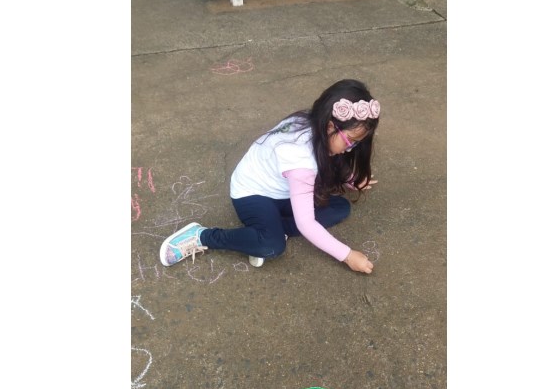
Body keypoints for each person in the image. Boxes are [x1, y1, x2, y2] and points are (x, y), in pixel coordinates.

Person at [159, 79, 380, 274]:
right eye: (351, 141)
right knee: (272, 246)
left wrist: (350, 178)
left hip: (282, 190)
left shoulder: (313, 124)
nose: (351, 149)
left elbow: (329, 158)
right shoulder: (301, 160)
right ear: (331, 126)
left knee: (340, 207)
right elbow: (306, 224)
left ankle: (268, 231)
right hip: (251, 194)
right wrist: (347, 255)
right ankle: (202, 236)